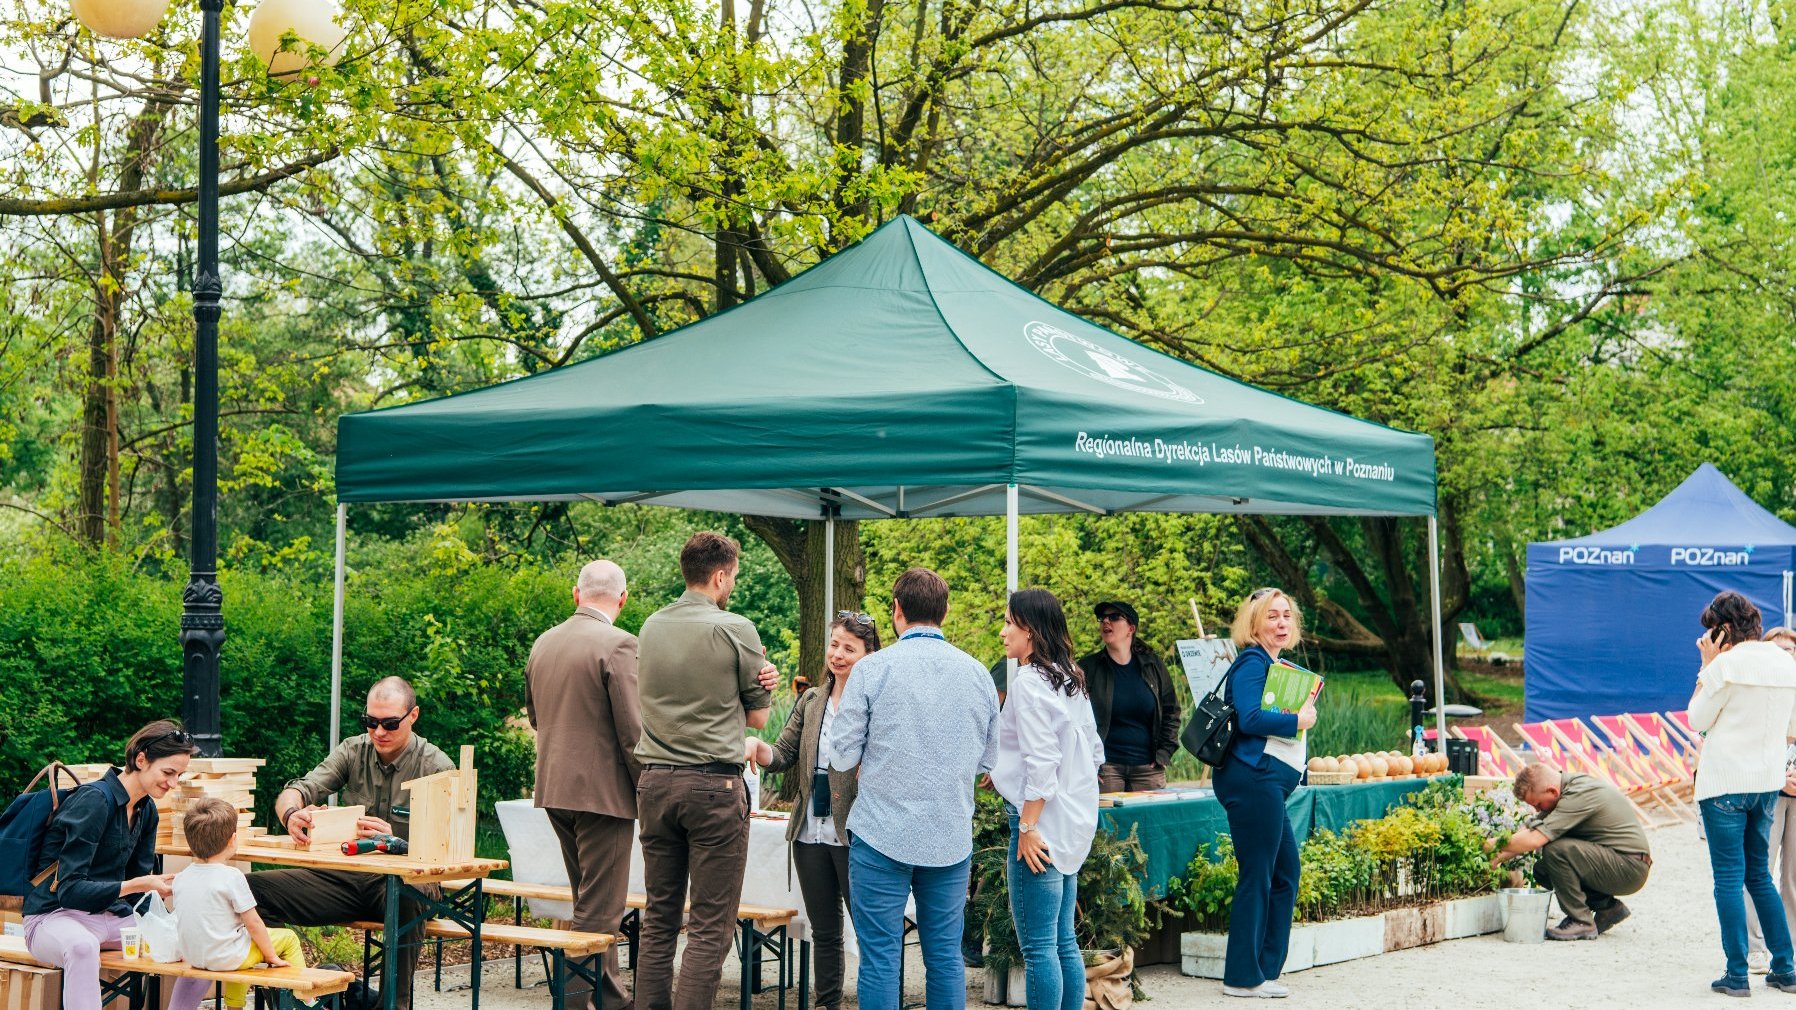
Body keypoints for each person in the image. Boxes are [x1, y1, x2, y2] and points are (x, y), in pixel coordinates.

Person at [832, 567, 1000, 1010]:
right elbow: (989, 759)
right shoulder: (979, 674)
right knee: (945, 956)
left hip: (880, 833)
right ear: (944, 612)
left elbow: (842, 755)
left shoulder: (872, 670)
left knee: (881, 956)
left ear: (897, 610)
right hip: (948, 834)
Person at [634, 531, 776, 1010]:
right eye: (732, 577)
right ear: (720, 575)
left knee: (659, 917)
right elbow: (757, 720)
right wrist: (766, 686)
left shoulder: (650, 626)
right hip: (713, 784)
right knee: (711, 924)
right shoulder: (736, 628)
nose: (731, 585)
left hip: (654, 782)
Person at [254, 676, 454, 1010]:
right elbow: (299, 788)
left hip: (408, 882)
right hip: (348, 877)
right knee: (249, 891)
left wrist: (395, 840)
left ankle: (392, 1006)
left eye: (389, 723)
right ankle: (300, 996)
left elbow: (448, 847)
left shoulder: (437, 766)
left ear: (413, 716)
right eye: (370, 722)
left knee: (407, 896)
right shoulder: (353, 749)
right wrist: (292, 814)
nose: (378, 732)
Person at [23, 721, 212, 1010]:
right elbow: (70, 891)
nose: (173, 783)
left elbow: (138, 894)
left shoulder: (146, 810)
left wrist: (172, 900)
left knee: (201, 944)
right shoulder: (94, 801)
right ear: (141, 759)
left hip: (112, 918)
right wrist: (139, 885)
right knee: (82, 947)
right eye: (168, 772)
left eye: (179, 775)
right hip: (53, 917)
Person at [526, 559, 642, 1010]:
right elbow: (633, 733)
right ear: (622, 599)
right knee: (600, 909)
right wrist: (646, 791)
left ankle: (612, 998)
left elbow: (536, 718)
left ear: (576, 594)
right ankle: (572, 1002)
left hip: (555, 788)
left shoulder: (543, 642)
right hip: (605, 795)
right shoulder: (619, 644)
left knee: (589, 897)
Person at [751, 611, 878, 1010]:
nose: (837, 655)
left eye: (849, 649)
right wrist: (760, 749)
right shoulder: (811, 699)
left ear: (869, 655)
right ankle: (828, 1004)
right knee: (824, 930)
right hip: (809, 829)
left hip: (855, 829)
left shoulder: (877, 700)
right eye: (834, 645)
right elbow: (784, 752)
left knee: (870, 929)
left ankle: (880, 1000)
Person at [991, 589, 1103, 1010]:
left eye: (1008, 623)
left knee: (1038, 949)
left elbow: (1042, 762)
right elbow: (1091, 752)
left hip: (1039, 823)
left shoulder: (1029, 683)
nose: (1003, 632)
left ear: (1031, 631)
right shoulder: (1070, 675)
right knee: (1063, 942)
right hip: (1070, 820)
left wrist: (1027, 826)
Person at [1687, 591, 1796, 996]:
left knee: (1728, 880)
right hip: (1767, 783)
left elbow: (1697, 718)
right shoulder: (1784, 662)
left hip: (1725, 784)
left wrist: (1707, 666)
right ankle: (1785, 968)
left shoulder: (1725, 665)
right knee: (1760, 878)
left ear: (1723, 629)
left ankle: (1736, 974)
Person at [1213, 587, 1316, 999]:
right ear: (1254, 623)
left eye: (1287, 616)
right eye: (1272, 616)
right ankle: (1241, 977)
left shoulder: (1276, 665)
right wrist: (1298, 719)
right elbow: (1252, 718)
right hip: (1251, 780)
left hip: (1266, 783)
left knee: (1285, 873)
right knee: (1257, 874)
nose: (1281, 623)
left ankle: (1264, 969)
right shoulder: (1253, 663)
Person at [169, 798, 308, 1010]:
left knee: (238, 945)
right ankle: (305, 997)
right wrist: (271, 956)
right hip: (226, 956)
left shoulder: (181, 878)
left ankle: (235, 1007)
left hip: (194, 956)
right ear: (232, 840)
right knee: (287, 939)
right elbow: (254, 923)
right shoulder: (231, 877)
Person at [1491, 763, 1652, 943]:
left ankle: (1581, 922)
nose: (1537, 810)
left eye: (1537, 804)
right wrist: (1497, 857)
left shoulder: (1577, 795)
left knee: (1556, 851)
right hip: (1618, 861)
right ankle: (1607, 908)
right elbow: (1528, 831)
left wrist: (1489, 845)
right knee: (1543, 870)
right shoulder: (1565, 790)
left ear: (1552, 792)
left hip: (1629, 867)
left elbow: (1535, 840)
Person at [1076, 601, 1179, 792]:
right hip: (1106, 769)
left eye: (1114, 617)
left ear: (1131, 628)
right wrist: (1088, 762)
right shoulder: (1088, 668)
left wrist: (1163, 754)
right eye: (1102, 618)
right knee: (1109, 822)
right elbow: (1075, 718)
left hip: (1148, 769)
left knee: (1151, 821)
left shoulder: (1152, 665)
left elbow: (1171, 712)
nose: (1106, 621)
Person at [1749, 626, 1796, 973]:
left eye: (1792, 650)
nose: (1786, 654)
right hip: (1764, 791)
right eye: (1779, 649)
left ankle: (1788, 947)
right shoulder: (1753, 694)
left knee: (1793, 875)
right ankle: (1754, 947)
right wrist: (1778, 776)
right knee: (1758, 871)